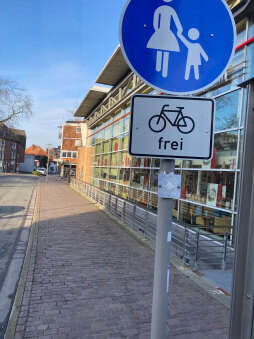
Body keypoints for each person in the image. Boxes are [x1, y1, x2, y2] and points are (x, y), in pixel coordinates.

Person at [147, 0, 183, 78]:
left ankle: (159, 70)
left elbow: (155, 22)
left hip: (162, 31)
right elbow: (176, 21)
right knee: (166, 51)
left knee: (161, 49)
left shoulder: (160, 9)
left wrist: (157, 30)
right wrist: (179, 29)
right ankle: (162, 71)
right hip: (166, 31)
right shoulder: (170, 9)